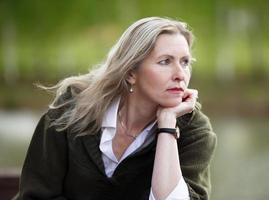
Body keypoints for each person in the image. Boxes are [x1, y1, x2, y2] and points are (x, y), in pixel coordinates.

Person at [13, 17, 217, 200]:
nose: (180, 74)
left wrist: (167, 126)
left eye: (185, 62)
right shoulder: (70, 110)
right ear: (130, 73)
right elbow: (36, 195)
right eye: (165, 62)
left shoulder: (195, 130)